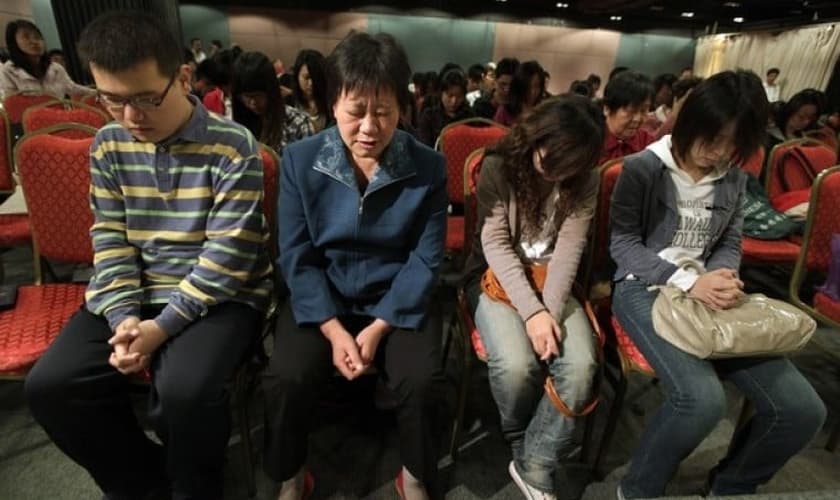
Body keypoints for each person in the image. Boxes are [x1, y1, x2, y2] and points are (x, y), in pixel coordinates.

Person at [23, 11, 273, 500]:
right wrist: (124, 318)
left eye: (145, 98)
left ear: (182, 76)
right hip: (133, 291)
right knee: (51, 387)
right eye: (112, 100)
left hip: (218, 294)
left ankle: (196, 485)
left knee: (183, 392)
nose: (131, 116)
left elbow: (227, 256)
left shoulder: (232, 145)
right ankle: (146, 482)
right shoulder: (108, 144)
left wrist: (161, 328)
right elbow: (109, 239)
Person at [609, 70, 826, 499]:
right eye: (714, 139)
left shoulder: (732, 176)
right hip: (645, 287)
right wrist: (688, 281)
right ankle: (636, 490)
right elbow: (623, 244)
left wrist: (724, 275)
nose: (722, 152)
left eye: (734, 143)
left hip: (709, 294)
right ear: (693, 123)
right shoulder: (645, 168)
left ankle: (730, 485)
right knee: (701, 402)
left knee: (802, 410)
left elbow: (729, 240)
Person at [263, 31, 447, 500]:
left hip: (395, 297)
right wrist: (333, 329)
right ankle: (290, 471)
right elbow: (296, 253)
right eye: (356, 111)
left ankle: (414, 473)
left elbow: (426, 257)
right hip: (323, 295)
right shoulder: (301, 161)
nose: (369, 127)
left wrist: (380, 325)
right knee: (286, 375)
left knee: (422, 380)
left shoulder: (427, 166)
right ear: (333, 104)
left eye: (383, 112)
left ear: (402, 107)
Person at [462, 95, 603, 499]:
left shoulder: (586, 180)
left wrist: (549, 313)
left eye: (568, 164)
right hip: (495, 275)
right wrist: (532, 314)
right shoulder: (498, 166)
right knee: (516, 365)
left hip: (551, 280)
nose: (555, 170)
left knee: (581, 365)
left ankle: (534, 462)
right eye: (550, 156)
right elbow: (496, 245)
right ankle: (521, 436)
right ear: (537, 136)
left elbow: (568, 251)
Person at [232, 51, 314, 155]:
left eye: (258, 95)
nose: (252, 102)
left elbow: (308, 161)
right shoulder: (235, 126)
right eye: (246, 97)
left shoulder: (298, 123)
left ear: (271, 90)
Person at [0, 19, 94, 100]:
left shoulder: (55, 68)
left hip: (59, 114)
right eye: (26, 37)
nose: (34, 41)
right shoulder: (8, 71)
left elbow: (73, 88)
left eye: (37, 37)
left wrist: (97, 92)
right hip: (27, 115)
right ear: (14, 43)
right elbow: (12, 103)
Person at [599, 70, 655, 164]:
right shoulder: (590, 141)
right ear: (607, 109)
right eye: (631, 111)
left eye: (643, 111)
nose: (637, 119)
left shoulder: (649, 144)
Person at [416, 68, 474, 146]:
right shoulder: (429, 116)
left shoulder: (470, 117)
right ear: (441, 93)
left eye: (459, 96)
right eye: (450, 95)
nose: (454, 101)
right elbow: (424, 146)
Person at [495, 60, 546, 127]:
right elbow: (495, 131)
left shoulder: (544, 112)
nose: (532, 92)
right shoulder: (505, 110)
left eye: (537, 86)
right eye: (528, 86)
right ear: (520, 85)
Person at [291, 49, 329, 132]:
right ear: (297, 76)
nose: (311, 83)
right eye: (306, 77)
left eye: (315, 77)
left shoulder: (329, 102)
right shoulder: (290, 103)